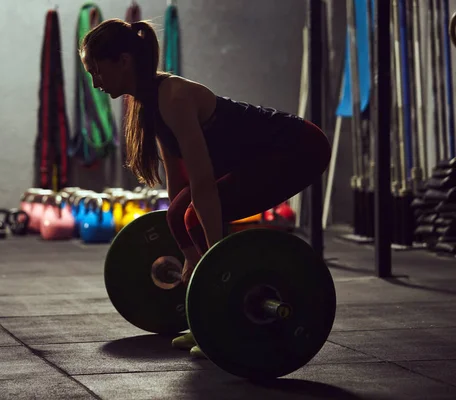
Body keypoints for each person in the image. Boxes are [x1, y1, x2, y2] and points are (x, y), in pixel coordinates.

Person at [80, 18, 331, 357]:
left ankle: (223, 318)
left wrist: (216, 265)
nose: (95, 83)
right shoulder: (151, 104)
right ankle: (205, 320)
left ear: (123, 61)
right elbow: (179, 183)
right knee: (177, 216)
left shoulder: (173, 98)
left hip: (300, 147)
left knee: (195, 219)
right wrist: (188, 253)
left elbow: (202, 184)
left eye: (97, 70)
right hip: (263, 156)